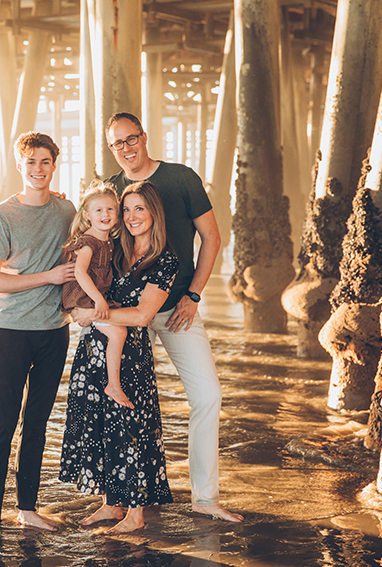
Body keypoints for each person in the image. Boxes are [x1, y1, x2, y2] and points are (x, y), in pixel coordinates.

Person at [103, 112, 244, 523]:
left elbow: (212, 237)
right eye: (117, 143)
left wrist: (194, 295)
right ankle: (125, 498)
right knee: (126, 403)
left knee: (207, 396)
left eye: (131, 139)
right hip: (129, 314)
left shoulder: (181, 178)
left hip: (178, 309)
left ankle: (204, 497)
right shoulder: (112, 188)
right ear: (111, 148)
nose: (126, 148)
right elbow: (92, 231)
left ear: (144, 138)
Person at [0, 132, 76, 546]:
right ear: (20, 165)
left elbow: (99, 229)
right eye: (31, 162)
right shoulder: (2, 215)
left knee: (37, 425)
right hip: (12, 331)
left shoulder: (67, 209)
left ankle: (27, 509)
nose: (38, 169)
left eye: (45, 162)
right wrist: (48, 277)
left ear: (55, 164)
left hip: (55, 331)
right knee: (2, 425)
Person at [60, 181, 177, 533]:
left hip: (130, 357)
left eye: (139, 209)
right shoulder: (117, 250)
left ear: (154, 213)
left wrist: (92, 315)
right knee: (100, 427)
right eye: (126, 209)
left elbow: (142, 315)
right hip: (96, 349)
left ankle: (136, 514)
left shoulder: (165, 259)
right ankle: (111, 504)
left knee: (130, 430)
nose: (130, 216)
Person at [61, 181, 132, 409]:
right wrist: (99, 300)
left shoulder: (108, 239)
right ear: (87, 215)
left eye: (110, 209)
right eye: (99, 210)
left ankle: (110, 382)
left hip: (94, 295)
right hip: (83, 297)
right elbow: (80, 272)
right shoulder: (88, 242)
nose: (105, 214)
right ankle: (113, 385)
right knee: (119, 332)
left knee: (119, 329)